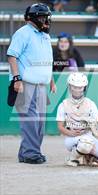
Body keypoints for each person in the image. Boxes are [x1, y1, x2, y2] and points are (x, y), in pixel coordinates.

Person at [7, 3, 56, 164]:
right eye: (43, 17)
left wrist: (51, 81)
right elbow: (12, 56)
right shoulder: (23, 33)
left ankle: (28, 153)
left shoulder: (45, 36)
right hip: (25, 83)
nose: (46, 20)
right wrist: (16, 79)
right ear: (34, 18)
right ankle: (30, 154)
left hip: (41, 84)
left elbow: (48, 61)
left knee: (39, 121)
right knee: (30, 120)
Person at [56, 72, 98, 167]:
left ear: (84, 87)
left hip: (88, 137)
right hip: (71, 139)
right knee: (85, 143)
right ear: (69, 86)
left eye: (80, 87)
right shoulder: (63, 105)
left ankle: (87, 158)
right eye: (74, 87)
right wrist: (71, 133)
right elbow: (60, 127)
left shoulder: (91, 104)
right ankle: (71, 158)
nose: (77, 90)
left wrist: (92, 127)